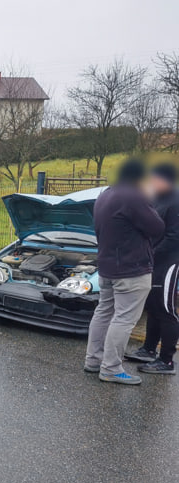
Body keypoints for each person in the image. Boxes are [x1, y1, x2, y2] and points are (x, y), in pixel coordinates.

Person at [83, 159, 165, 385]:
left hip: (107, 268)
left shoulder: (105, 194)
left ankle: (93, 360)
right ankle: (110, 368)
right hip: (131, 269)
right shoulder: (134, 196)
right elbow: (157, 227)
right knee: (124, 319)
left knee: (103, 312)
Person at [127, 163, 179, 375]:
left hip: (169, 262)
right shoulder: (158, 198)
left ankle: (166, 361)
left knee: (166, 309)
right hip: (153, 261)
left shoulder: (175, 201)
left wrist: (152, 252)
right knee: (153, 307)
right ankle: (149, 349)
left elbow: (174, 237)